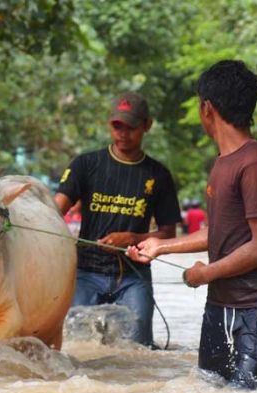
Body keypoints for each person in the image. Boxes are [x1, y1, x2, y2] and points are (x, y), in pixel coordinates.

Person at [127, 60, 257, 393]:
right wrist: (161, 247)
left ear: (207, 108)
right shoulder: (222, 162)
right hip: (220, 306)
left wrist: (206, 273)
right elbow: (219, 232)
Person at [54, 91, 182, 347]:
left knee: (138, 351)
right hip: (86, 272)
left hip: (134, 276)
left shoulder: (159, 175)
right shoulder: (85, 165)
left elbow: (169, 233)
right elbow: (53, 212)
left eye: (131, 127)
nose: (123, 133)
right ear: (109, 125)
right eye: (117, 126)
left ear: (147, 125)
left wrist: (134, 238)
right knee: (75, 347)